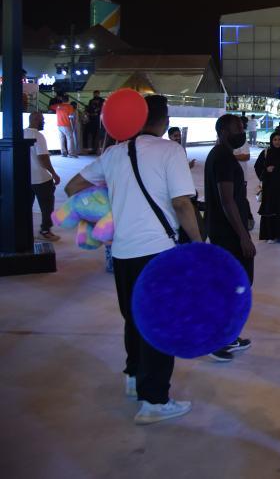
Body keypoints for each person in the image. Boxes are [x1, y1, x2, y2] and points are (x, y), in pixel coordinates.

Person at [65, 95, 202, 425]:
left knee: (134, 317)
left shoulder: (113, 153)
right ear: (164, 120)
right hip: (158, 252)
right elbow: (182, 203)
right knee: (160, 324)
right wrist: (199, 244)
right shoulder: (170, 151)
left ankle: (132, 376)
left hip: (123, 253)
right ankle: (154, 401)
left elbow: (72, 187)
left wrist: (110, 210)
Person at [204, 114, 256, 363]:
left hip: (226, 231)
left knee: (236, 285)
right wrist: (243, 236)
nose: (242, 131)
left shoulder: (221, 155)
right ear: (224, 131)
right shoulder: (223, 157)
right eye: (238, 128)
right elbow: (227, 201)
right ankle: (217, 339)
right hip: (228, 234)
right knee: (230, 287)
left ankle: (229, 335)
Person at [254, 132, 280, 244]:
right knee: (270, 209)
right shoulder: (266, 153)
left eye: (279, 139)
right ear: (271, 141)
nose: (277, 142)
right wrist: (266, 170)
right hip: (270, 188)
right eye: (275, 139)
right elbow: (257, 166)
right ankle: (270, 235)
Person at [27, 111, 61, 242]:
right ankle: (45, 231)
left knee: (25, 207)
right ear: (35, 120)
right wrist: (54, 174)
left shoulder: (22, 133)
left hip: (26, 178)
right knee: (47, 206)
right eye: (42, 120)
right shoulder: (38, 136)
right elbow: (43, 158)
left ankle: (25, 231)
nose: (44, 122)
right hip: (41, 178)